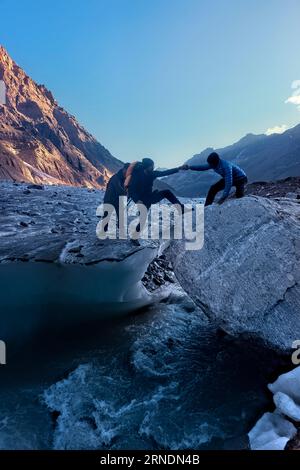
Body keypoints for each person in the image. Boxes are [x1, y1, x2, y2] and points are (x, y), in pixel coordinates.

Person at [102, 163, 130, 231]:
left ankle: (120, 228)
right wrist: (128, 192)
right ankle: (103, 231)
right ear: (124, 169)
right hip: (109, 199)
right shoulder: (116, 178)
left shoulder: (125, 178)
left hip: (118, 200)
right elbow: (120, 190)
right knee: (107, 216)